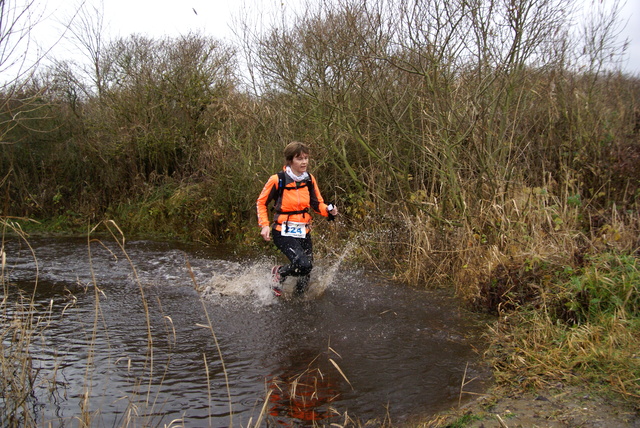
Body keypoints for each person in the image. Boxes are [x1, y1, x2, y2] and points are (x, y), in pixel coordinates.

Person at [256, 142, 338, 296]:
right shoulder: (277, 180)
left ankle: (297, 303)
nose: (304, 162)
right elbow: (261, 202)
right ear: (290, 160)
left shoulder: (309, 179)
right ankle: (279, 272)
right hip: (282, 231)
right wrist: (265, 225)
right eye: (299, 158)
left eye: (306, 158)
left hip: (303, 231)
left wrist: (328, 210)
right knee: (303, 264)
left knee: (305, 274)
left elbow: (316, 204)